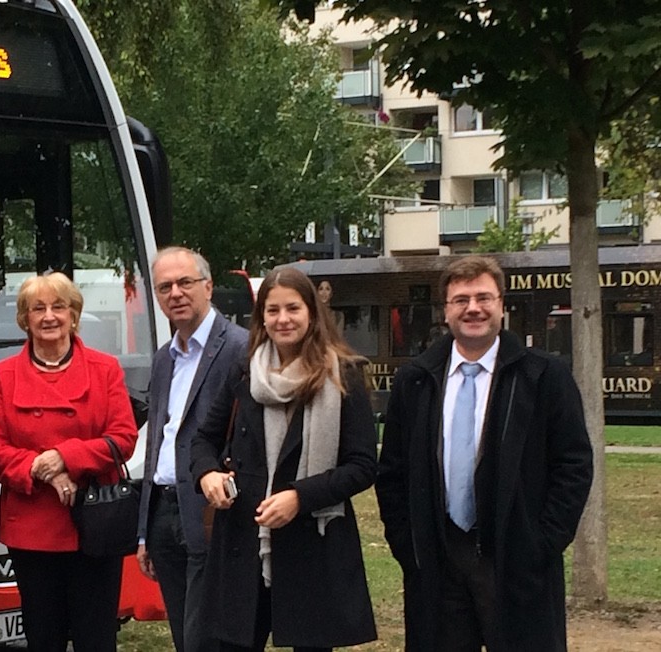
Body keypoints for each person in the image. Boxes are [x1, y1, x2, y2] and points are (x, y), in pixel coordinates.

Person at [377, 255, 593, 651]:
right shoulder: (417, 380)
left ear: (501, 304)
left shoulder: (544, 376)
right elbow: (392, 472)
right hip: (438, 564)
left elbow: (573, 467)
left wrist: (541, 545)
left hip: (516, 562)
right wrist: (408, 548)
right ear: (446, 310)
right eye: (461, 299)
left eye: (483, 297)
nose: (473, 308)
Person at [190, 267, 378, 652]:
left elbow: (362, 466)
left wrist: (299, 497)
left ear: (312, 312)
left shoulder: (345, 375)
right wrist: (207, 473)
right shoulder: (244, 370)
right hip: (244, 539)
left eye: (292, 308)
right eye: (272, 311)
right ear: (261, 318)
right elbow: (204, 439)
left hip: (312, 541)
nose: (283, 319)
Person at [0, 272, 138, 651]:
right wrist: (39, 468)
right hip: (33, 530)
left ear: (73, 314)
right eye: (38, 308)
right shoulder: (4, 375)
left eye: (59, 307)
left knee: (95, 639)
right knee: (42, 637)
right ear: (25, 318)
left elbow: (123, 438)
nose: (49, 316)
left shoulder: (105, 369)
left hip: (95, 525)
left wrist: (64, 458)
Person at [137, 247, 249, 652]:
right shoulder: (164, 358)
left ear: (208, 286)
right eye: (165, 287)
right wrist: (144, 533)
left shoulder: (240, 348)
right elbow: (158, 442)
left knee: (206, 639)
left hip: (210, 510)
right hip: (163, 511)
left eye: (185, 283)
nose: (176, 293)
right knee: (184, 638)